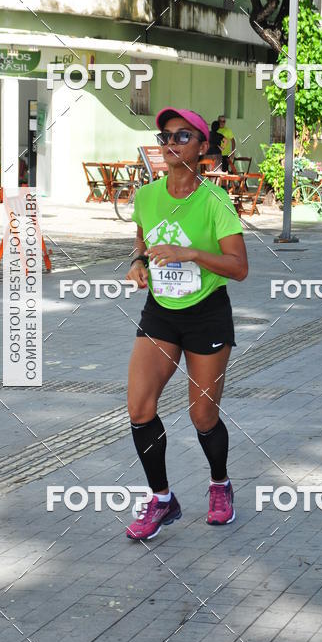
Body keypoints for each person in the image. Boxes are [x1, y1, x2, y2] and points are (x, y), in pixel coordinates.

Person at [124, 107, 248, 539]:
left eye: (181, 137)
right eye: (165, 138)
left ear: (202, 147)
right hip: (160, 312)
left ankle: (220, 485)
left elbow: (239, 267)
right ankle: (161, 499)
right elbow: (142, 239)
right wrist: (139, 263)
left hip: (206, 314)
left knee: (202, 416)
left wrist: (191, 253)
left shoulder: (215, 201)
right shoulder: (147, 196)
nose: (170, 145)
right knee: (139, 409)